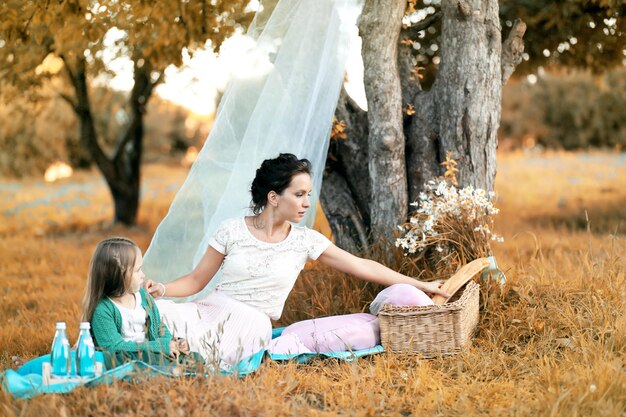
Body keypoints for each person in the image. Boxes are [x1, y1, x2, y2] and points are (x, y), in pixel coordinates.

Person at [145, 154, 449, 367]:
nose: (306, 203)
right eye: (299, 194)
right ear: (274, 197)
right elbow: (196, 281)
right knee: (150, 315)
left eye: (308, 194)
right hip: (207, 309)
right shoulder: (232, 230)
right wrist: (162, 288)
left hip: (251, 323)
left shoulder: (305, 241)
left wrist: (420, 283)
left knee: (205, 353)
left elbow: (363, 267)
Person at [82, 237, 202, 370]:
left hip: (153, 352)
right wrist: (158, 347)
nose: (143, 275)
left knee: (196, 358)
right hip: (126, 357)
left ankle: (169, 368)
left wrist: (173, 343)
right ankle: (166, 370)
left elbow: (159, 329)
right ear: (119, 274)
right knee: (138, 359)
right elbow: (113, 347)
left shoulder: (144, 298)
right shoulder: (103, 310)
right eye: (138, 270)